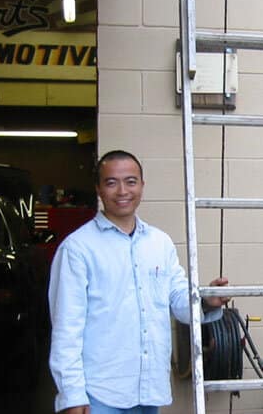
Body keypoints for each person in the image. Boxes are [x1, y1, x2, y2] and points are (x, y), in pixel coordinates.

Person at [48, 150, 230, 414]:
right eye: (112, 182)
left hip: (149, 393)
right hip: (99, 395)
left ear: (142, 186)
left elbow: (177, 300)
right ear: (99, 189)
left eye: (131, 181)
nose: (123, 191)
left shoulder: (160, 243)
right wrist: (72, 396)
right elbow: (66, 329)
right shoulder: (78, 249)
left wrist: (206, 302)